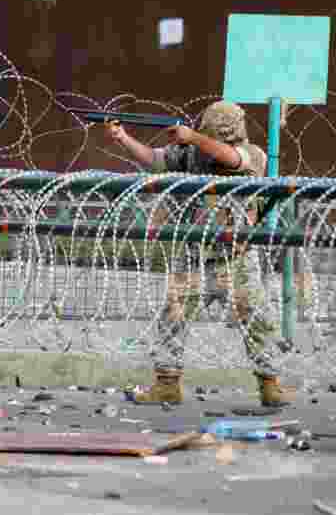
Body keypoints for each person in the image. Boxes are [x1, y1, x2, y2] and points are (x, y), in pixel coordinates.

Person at [106, 100, 293, 407]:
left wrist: (192, 137)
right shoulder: (192, 154)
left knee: (258, 321)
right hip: (195, 254)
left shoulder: (252, 154)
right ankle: (167, 384)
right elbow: (155, 160)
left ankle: (269, 384)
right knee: (172, 320)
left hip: (236, 258)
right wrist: (123, 138)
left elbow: (233, 159)